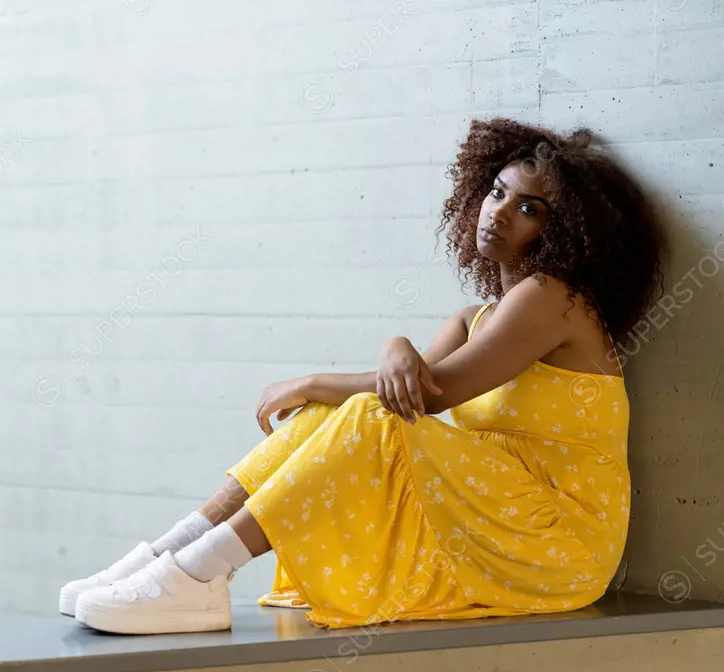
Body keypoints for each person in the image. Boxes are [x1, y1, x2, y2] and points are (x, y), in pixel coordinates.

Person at [58, 117, 665, 635]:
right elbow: (410, 389)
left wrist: (330, 375)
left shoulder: (552, 298)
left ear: (559, 231)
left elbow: (430, 393)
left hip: (560, 542)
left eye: (529, 208)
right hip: (497, 514)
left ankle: (197, 575)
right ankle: (173, 557)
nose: (500, 213)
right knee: (343, 412)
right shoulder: (474, 317)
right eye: (498, 192)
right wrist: (389, 351)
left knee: (366, 412)